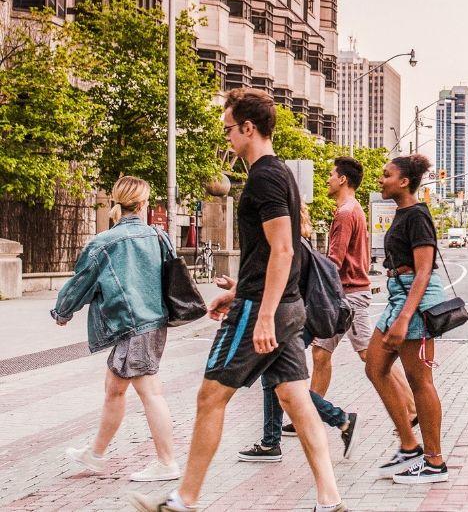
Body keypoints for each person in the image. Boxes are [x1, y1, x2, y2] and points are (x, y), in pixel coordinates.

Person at [129, 88, 344, 512]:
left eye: (229, 129)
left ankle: (185, 498)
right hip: (280, 305)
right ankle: (330, 498)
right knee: (295, 399)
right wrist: (236, 290)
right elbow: (278, 252)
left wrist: (260, 313)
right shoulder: (278, 174)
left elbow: (284, 249)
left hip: (265, 309)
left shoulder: (265, 177)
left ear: (248, 128)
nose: (226, 137)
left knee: (211, 397)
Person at [54, 176, 178, 483]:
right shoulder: (157, 236)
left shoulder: (103, 242)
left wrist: (62, 311)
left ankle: (167, 462)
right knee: (114, 389)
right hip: (151, 323)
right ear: (143, 203)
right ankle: (95, 454)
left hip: (131, 325)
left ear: (117, 203)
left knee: (149, 392)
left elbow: (80, 282)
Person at [236, 204, 361, 463]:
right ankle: (271, 443)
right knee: (273, 380)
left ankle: (340, 420)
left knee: (285, 384)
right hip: (297, 321)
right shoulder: (298, 243)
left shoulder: (289, 248)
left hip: (292, 322)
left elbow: (279, 287)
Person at [312, 158, 416, 425]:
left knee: (370, 356)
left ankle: (412, 407)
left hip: (350, 295)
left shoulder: (346, 213)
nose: (327, 179)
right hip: (345, 293)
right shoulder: (351, 209)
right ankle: (312, 411)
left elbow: (334, 260)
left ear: (343, 179)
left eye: (331, 174)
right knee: (321, 353)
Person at [366, 154, 449, 484]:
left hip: (415, 301)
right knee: (374, 366)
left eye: (387, 175)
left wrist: (404, 318)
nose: (381, 179)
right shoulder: (401, 213)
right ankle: (409, 444)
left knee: (420, 382)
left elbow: (424, 271)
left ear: (404, 182)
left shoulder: (417, 215)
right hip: (397, 296)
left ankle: (434, 462)